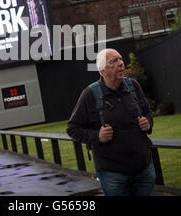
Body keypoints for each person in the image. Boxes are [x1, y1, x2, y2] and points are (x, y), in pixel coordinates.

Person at [67, 48, 156, 196]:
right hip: (112, 174)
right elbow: (72, 128)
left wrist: (148, 122)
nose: (121, 63)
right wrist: (97, 136)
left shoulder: (133, 85)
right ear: (102, 71)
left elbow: (147, 112)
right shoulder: (90, 94)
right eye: (114, 61)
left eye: (120, 59)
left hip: (144, 168)